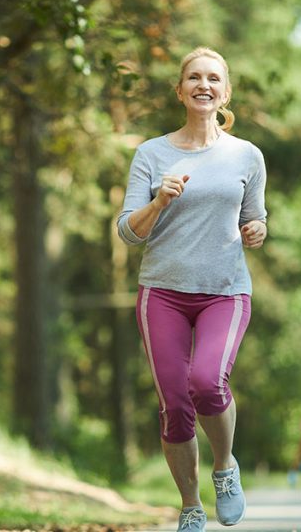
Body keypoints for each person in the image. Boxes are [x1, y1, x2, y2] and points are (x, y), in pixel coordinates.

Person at [118, 46, 268, 532]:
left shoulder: (247, 155)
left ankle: (225, 467)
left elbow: (255, 219)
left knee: (207, 382)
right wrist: (159, 200)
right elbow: (127, 230)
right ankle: (190, 504)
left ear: (225, 91)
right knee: (174, 404)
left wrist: (258, 230)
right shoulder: (151, 153)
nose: (204, 85)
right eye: (194, 78)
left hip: (224, 290)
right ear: (180, 89)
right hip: (161, 291)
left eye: (213, 79)